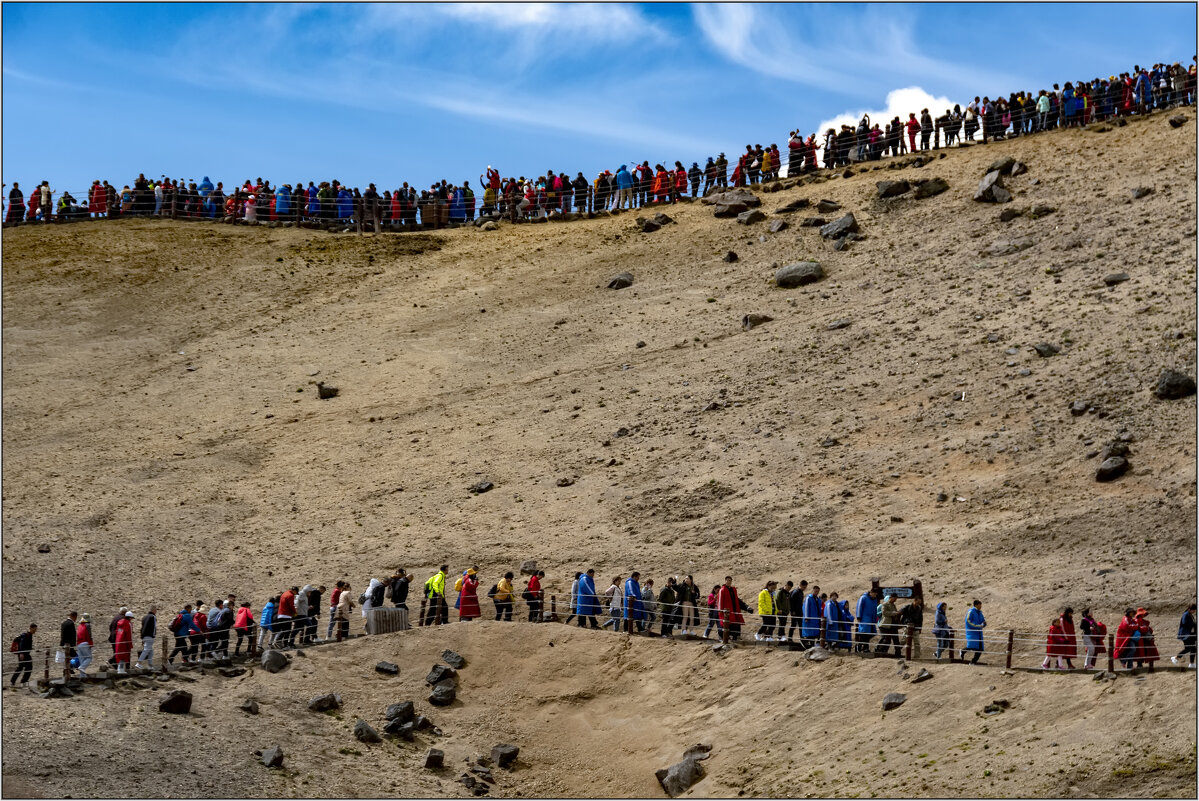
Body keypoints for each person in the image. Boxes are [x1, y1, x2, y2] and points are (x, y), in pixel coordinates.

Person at [716, 576, 745, 644]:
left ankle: (735, 637)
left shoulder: (733, 589)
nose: (729, 582)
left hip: (734, 609)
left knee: (735, 623)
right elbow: (720, 601)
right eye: (727, 580)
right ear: (725, 581)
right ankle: (728, 638)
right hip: (727, 610)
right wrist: (720, 610)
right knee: (728, 624)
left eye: (730, 580)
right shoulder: (722, 590)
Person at [961, 600, 986, 664]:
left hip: (979, 633)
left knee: (979, 649)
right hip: (972, 632)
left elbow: (983, 620)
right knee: (972, 646)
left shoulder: (980, 613)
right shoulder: (971, 612)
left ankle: (973, 662)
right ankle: (963, 652)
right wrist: (978, 626)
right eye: (980, 605)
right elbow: (968, 622)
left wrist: (984, 623)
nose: (981, 606)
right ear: (976, 605)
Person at [855, 588, 879, 653]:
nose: (875, 595)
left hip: (871, 619)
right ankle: (865, 648)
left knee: (870, 634)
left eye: (876, 594)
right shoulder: (863, 598)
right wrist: (859, 616)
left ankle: (859, 646)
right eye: (874, 594)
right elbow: (859, 607)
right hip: (864, 619)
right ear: (871, 592)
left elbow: (875, 610)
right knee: (865, 634)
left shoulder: (874, 600)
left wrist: (875, 619)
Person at [135, 605, 156, 670]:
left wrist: (142, 636)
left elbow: (142, 627)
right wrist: (153, 635)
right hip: (149, 636)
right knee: (146, 649)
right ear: (154, 610)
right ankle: (139, 663)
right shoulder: (153, 617)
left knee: (150, 651)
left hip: (144, 636)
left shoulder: (144, 617)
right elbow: (154, 628)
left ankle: (150, 665)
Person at [59, 611, 78, 676]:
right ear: (74, 616)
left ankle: (69, 669)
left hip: (64, 644)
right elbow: (72, 635)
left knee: (68, 658)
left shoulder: (64, 623)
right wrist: (73, 645)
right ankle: (69, 669)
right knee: (75, 657)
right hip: (70, 644)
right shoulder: (71, 624)